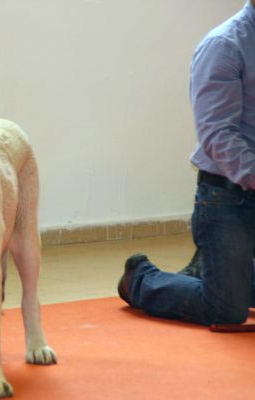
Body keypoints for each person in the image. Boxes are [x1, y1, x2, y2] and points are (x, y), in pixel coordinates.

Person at [118, 1, 255, 326]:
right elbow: (217, 134)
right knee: (227, 311)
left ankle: (214, 267)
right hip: (227, 198)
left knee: (230, 287)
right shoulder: (224, 45)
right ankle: (140, 278)